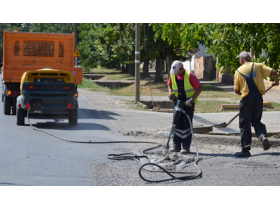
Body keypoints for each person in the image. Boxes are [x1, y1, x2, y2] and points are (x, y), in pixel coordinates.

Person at [234, 51, 279, 157]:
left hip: (246, 99)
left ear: (241, 59)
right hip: (258, 98)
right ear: (249, 58)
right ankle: (263, 136)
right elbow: (274, 71)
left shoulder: (238, 71)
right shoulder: (258, 66)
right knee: (256, 121)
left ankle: (245, 150)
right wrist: (276, 82)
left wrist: (245, 96)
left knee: (245, 123)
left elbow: (236, 91)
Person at [167, 60, 203, 154]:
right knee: (176, 123)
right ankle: (176, 145)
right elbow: (169, 85)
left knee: (186, 124)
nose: (176, 73)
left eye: (178, 71)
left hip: (188, 103)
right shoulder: (173, 74)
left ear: (182, 69)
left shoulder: (190, 75)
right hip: (177, 101)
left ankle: (186, 147)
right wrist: (170, 93)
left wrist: (192, 98)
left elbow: (199, 88)